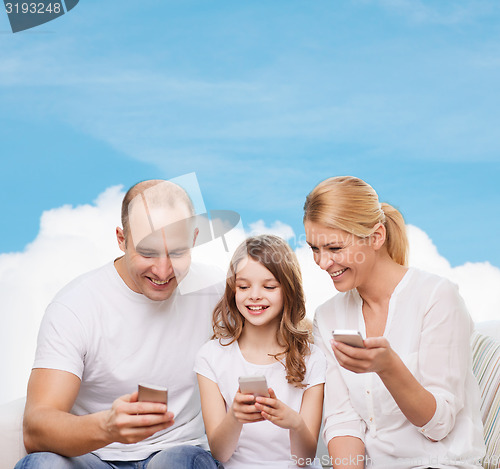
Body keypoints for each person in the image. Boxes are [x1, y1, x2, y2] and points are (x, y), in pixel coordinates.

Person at [15, 180, 225, 469]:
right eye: (147, 252)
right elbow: (36, 427)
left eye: (177, 252)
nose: (163, 271)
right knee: (42, 465)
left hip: (176, 453)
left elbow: (282, 334)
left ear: (194, 238)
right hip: (92, 457)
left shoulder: (217, 292)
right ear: (121, 239)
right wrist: (107, 427)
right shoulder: (76, 306)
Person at [303, 176, 486, 469]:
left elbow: (438, 425)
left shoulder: (437, 297)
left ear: (376, 237)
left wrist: (388, 368)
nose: (323, 263)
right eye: (314, 248)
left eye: (334, 248)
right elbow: (343, 422)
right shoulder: (327, 317)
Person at [194, 234, 326, 469]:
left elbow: (305, 458)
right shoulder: (211, 356)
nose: (254, 295)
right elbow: (220, 453)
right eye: (244, 286)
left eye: (269, 286)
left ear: (288, 290)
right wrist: (235, 416)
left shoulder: (312, 358)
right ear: (233, 290)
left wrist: (294, 423)